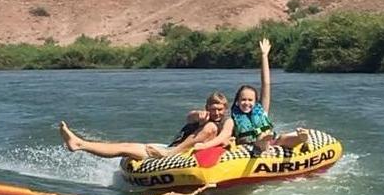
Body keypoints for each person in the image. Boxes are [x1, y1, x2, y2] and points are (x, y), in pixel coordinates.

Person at [59, 91, 233, 161]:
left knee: (210, 128)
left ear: (225, 109)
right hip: (167, 152)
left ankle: (170, 152)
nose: (216, 113)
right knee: (125, 147)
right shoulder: (200, 116)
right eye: (212, 109)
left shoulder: (226, 122)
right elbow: (190, 116)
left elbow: (224, 136)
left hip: (174, 154)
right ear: (207, 108)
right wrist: (199, 115)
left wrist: (208, 144)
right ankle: (79, 144)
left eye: (219, 109)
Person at [231, 38, 308, 153]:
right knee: (261, 140)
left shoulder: (261, 109)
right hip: (252, 146)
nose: (246, 103)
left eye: (250, 100)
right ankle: (264, 139)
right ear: (237, 101)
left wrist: (264, 56)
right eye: (243, 100)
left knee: (282, 139)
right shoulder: (232, 120)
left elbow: (266, 83)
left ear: (255, 102)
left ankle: (300, 138)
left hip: (271, 141)